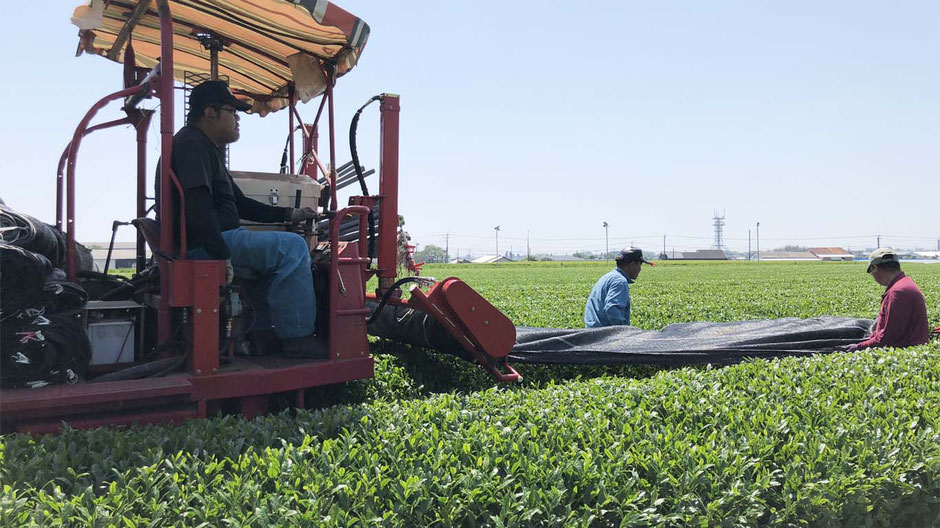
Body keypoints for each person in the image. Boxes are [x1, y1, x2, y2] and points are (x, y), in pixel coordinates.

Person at [156, 80, 322, 357]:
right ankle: (297, 338)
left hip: (215, 239)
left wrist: (288, 213)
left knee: (276, 256)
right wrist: (221, 254)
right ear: (210, 112)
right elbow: (197, 205)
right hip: (208, 244)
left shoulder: (203, 148)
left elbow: (240, 204)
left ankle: (260, 336)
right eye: (233, 112)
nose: (238, 120)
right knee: (293, 248)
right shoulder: (191, 144)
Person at [842, 248, 929, 352]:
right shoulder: (904, 283)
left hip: (904, 350)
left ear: (875, 268)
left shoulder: (898, 292)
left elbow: (887, 339)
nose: (873, 277)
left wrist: (858, 347)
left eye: (871, 272)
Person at [584, 247, 653, 327]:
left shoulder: (608, 277)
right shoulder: (620, 281)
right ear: (632, 265)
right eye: (640, 265)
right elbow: (611, 309)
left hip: (591, 332)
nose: (640, 269)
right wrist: (624, 331)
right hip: (603, 335)